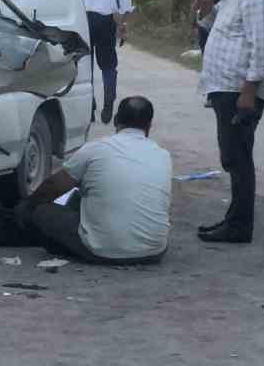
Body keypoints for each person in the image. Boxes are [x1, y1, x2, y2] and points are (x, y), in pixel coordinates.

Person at [192, 0, 264, 244]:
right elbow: (210, 28)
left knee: (237, 157)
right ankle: (234, 221)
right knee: (233, 156)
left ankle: (240, 227)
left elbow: (263, 50)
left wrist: (248, 91)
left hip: (238, 90)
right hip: (223, 88)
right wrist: (205, 5)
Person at [18, 96, 170, 263]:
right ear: (149, 125)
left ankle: (74, 247)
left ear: (116, 120)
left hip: (102, 251)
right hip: (154, 251)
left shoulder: (96, 149)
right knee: (80, 197)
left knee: (43, 212)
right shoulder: (163, 156)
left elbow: (53, 187)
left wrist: (27, 206)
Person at [73, 0, 134, 123]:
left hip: (82, 21)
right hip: (105, 20)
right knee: (108, 65)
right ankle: (108, 105)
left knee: (85, 65)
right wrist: (122, 23)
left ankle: (89, 107)